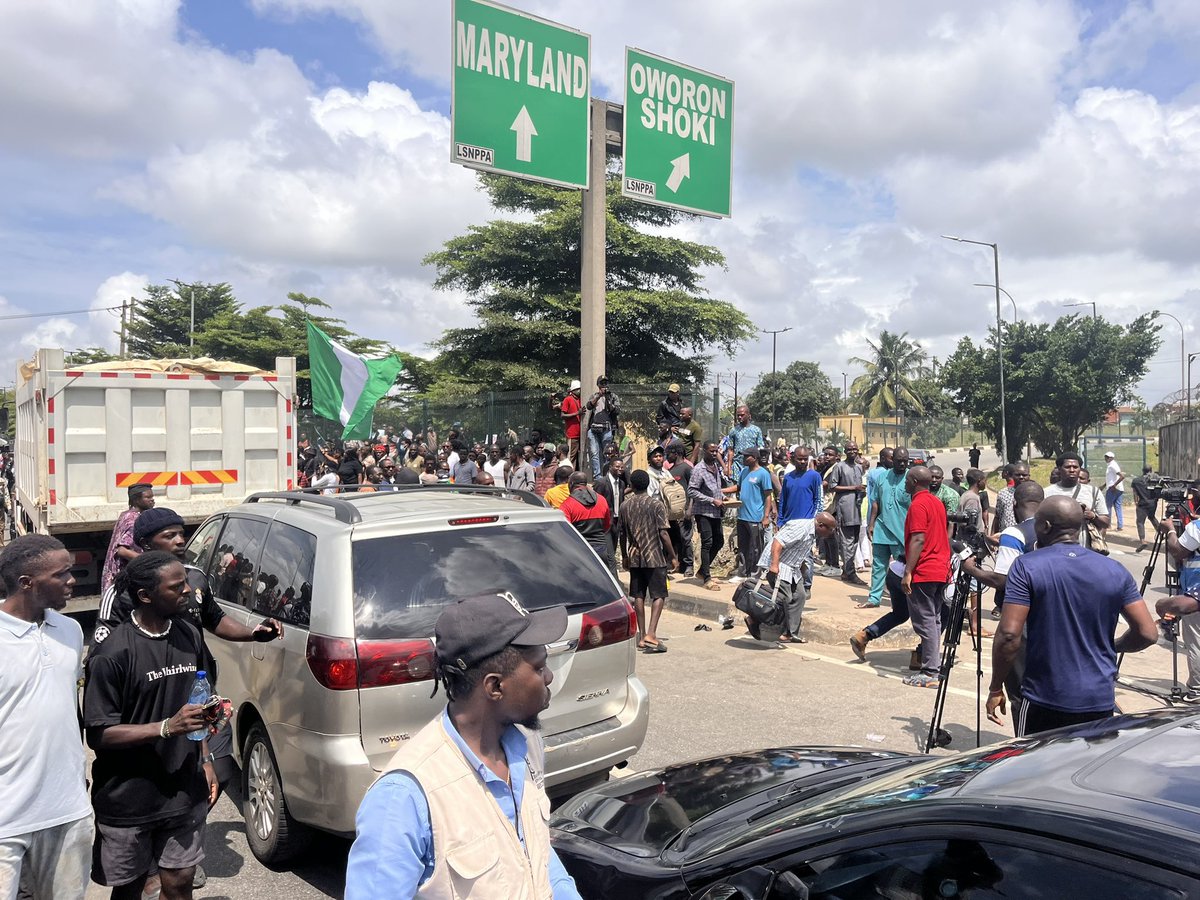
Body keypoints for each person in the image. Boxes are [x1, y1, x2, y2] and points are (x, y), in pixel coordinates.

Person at [344, 592, 580, 899]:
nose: (548, 677)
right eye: (538, 668)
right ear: (495, 687)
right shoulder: (404, 797)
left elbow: (537, 856)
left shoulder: (527, 746)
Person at [84, 552, 222, 900]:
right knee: (129, 889)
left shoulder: (189, 635)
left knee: (179, 883)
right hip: (128, 800)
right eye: (177, 587)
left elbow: (198, 699)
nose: (188, 591)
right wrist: (165, 728)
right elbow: (99, 733)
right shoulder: (112, 653)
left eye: (186, 583)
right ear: (146, 596)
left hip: (182, 790)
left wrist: (205, 757)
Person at [987, 496, 1158, 735]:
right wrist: (1115, 645)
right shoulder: (1114, 570)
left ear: (1044, 527)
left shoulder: (1026, 566)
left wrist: (996, 688)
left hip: (1044, 697)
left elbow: (1008, 635)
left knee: (1036, 770)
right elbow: (1148, 633)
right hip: (1099, 699)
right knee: (1087, 769)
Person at [0, 536, 91, 900]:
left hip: (67, 811)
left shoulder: (70, 631)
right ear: (27, 583)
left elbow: (68, 708)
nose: (72, 580)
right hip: (6, 818)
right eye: (62, 573)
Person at [957, 481, 1045, 728]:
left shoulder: (1015, 534)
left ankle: (1025, 749)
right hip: (1053, 617)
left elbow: (1004, 581)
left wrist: (972, 570)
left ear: (1015, 505)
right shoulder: (1056, 529)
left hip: (1023, 620)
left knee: (1020, 693)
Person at [897, 466, 951, 688]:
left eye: (908, 480)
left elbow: (918, 539)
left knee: (926, 621)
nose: (905, 484)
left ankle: (930, 672)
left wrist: (908, 571)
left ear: (913, 481)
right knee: (934, 619)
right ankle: (933, 666)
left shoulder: (918, 504)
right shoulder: (936, 502)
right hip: (940, 569)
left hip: (925, 570)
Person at [622, 470, 677, 654]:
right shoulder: (656, 505)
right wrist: (673, 555)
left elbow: (622, 535)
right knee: (658, 594)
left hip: (635, 556)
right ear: (647, 484)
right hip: (654, 556)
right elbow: (663, 532)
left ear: (633, 485)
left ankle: (642, 634)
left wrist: (624, 556)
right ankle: (652, 634)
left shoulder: (624, 506)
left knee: (638, 595)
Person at [764, 511, 838, 644]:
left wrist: (803, 567)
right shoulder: (801, 528)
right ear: (821, 525)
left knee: (800, 596)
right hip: (780, 563)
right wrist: (774, 565)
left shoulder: (813, 532)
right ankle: (757, 618)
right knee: (784, 598)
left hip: (793, 567)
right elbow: (777, 543)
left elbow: (798, 548)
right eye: (831, 529)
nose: (832, 532)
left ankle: (789, 634)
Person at [1153, 512, 1200, 703]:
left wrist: (1170, 530)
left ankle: (1197, 690)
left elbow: (1178, 551)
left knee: (1196, 641)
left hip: (1194, 592)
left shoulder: (1197, 526)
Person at [863, 449, 910, 609]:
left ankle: (906, 600)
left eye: (905, 460)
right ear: (892, 460)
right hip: (882, 528)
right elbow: (875, 501)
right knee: (878, 564)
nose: (902, 463)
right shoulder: (882, 477)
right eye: (899, 460)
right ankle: (874, 598)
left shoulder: (912, 478)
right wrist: (871, 523)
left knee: (904, 567)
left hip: (902, 531)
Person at [689, 441, 737, 591]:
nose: (715, 454)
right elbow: (692, 491)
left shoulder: (715, 467)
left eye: (716, 451)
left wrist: (722, 497)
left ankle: (703, 571)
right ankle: (707, 578)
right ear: (704, 451)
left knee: (719, 541)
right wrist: (712, 500)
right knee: (707, 542)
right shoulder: (699, 469)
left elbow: (715, 488)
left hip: (716, 511)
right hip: (703, 511)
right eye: (712, 451)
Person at [776, 447, 823, 592]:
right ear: (793, 459)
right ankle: (790, 584)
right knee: (788, 556)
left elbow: (818, 500)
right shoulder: (788, 477)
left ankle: (806, 586)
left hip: (806, 523)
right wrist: (780, 521)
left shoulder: (814, 476)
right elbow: (783, 500)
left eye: (805, 459)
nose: (802, 462)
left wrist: (813, 521)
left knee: (806, 556)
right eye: (799, 459)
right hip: (789, 523)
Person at [1043, 452, 1109, 547]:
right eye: (1067, 467)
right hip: (1054, 547)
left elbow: (1106, 523)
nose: (1072, 470)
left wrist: (1093, 516)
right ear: (1059, 469)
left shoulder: (1093, 492)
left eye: (1075, 467)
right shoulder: (1047, 493)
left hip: (1084, 549)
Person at [100, 483, 155, 593]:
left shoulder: (126, 514)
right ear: (136, 500)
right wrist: (150, 561)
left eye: (152, 497)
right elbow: (122, 550)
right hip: (122, 580)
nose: (152, 500)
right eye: (148, 497)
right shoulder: (133, 520)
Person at [560, 472, 616, 576]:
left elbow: (564, 533)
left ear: (571, 484)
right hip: (601, 551)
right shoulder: (602, 500)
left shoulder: (567, 505)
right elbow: (607, 526)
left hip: (580, 553)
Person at [733, 448, 776, 582]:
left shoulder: (763, 474)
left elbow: (768, 496)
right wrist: (720, 491)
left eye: (747, 456)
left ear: (755, 458)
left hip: (756, 517)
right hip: (742, 516)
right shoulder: (744, 472)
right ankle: (742, 573)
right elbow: (738, 487)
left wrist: (766, 517)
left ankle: (755, 574)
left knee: (756, 548)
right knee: (743, 547)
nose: (744, 459)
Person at [826, 443, 866, 586]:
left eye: (855, 449)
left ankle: (847, 570)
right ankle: (850, 572)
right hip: (845, 507)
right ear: (845, 451)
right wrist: (853, 488)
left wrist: (861, 491)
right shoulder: (839, 467)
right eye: (849, 449)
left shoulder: (859, 467)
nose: (852, 451)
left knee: (855, 541)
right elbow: (832, 486)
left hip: (857, 508)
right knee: (847, 541)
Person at [665, 445, 694, 576]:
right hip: (672, 513)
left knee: (686, 538)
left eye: (668, 454)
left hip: (685, 512)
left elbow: (693, 490)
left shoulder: (687, 469)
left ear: (676, 454)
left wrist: (690, 509)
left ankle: (689, 565)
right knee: (675, 539)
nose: (666, 457)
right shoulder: (670, 471)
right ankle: (677, 564)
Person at [593, 457, 628, 567]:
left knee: (613, 545)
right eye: (617, 467)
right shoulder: (601, 482)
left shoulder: (622, 483)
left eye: (622, 467)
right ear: (610, 467)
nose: (620, 469)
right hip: (606, 521)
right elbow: (597, 502)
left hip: (618, 520)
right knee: (607, 551)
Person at [584, 376, 620, 479]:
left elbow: (617, 411)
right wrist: (599, 396)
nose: (604, 385)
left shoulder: (613, 396)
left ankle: (607, 475)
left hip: (607, 429)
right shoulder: (595, 395)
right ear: (598, 385)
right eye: (602, 383)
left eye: (605, 383)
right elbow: (589, 406)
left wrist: (608, 400)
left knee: (607, 453)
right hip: (594, 429)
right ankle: (597, 477)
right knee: (595, 453)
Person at [724, 405, 764, 479]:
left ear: (749, 415)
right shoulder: (733, 431)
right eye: (738, 415)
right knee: (737, 487)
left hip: (751, 465)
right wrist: (729, 467)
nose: (739, 417)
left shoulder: (756, 430)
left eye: (742, 415)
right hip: (737, 465)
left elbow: (760, 448)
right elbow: (730, 450)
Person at [990, 462, 1030, 534]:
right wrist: (992, 535)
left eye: (1024, 475)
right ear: (1013, 476)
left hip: (1026, 535)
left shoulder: (1034, 493)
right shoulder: (1003, 493)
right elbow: (997, 516)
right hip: (1005, 535)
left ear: (1029, 476)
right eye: (1018, 475)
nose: (1021, 477)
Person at [1131, 466, 1159, 552]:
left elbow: (1135, 492)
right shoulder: (1154, 480)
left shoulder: (1136, 481)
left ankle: (1143, 541)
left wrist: (1136, 502)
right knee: (1152, 517)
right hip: (1153, 503)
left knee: (1140, 522)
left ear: (1143, 471)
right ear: (1151, 470)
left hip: (1142, 503)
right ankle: (1161, 533)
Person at [559, 379, 583, 470]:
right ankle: (569, 474)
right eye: (578, 389)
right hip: (572, 433)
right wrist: (577, 413)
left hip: (580, 433)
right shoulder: (568, 399)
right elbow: (563, 415)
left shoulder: (580, 399)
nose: (579, 391)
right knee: (571, 456)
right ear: (573, 390)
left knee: (579, 456)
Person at [1104, 451, 1126, 531]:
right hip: (1118, 488)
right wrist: (1103, 486)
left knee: (1108, 507)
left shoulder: (1112, 465)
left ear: (1111, 458)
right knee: (1118, 507)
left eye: (1108, 457)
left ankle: (1108, 525)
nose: (1106, 458)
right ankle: (1120, 526)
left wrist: (1114, 485)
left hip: (1113, 489)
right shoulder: (1111, 465)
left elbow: (1122, 476)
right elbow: (1111, 478)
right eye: (1106, 457)